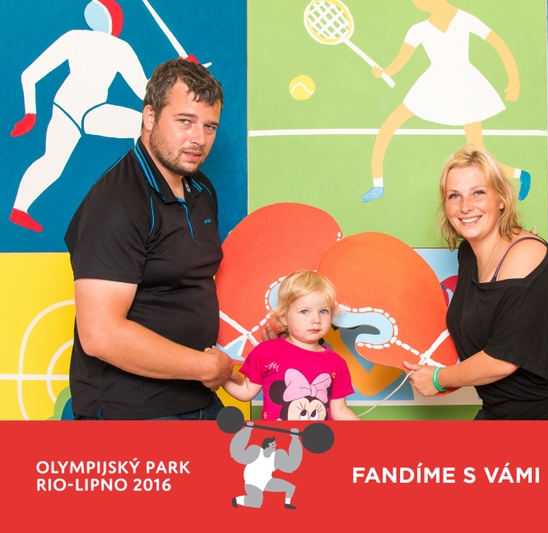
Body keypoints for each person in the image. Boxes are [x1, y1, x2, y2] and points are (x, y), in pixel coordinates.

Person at [64, 58, 242, 420]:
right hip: (132, 413)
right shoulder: (116, 202)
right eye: (185, 121)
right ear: (149, 117)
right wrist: (205, 367)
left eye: (209, 126)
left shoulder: (201, 188)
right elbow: (101, 335)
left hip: (197, 399)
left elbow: (190, 287)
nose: (199, 138)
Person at [404, 145, 548, 419]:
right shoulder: (469, 253)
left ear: (501, 198)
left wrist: (439, 378)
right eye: (454, 196)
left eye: (478, 192)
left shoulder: (524, 256)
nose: (466, 206)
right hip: (505, 409)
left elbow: (503, 359)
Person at [362, 0, 530, 203]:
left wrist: (514, 81)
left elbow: (499, 44)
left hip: (466, 86)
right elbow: (400, 61)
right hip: (432, 84)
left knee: (478, 151)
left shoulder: (465, 19)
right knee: (390, 124)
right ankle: (377, 184)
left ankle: (519, 174)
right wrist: (383, 71)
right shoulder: (418, 29)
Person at [10, 0, 147, 232]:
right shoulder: (118, 47)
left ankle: (19, 209)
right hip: (77, 110)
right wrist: (180, 72)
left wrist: (30, 114)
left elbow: (29, 76)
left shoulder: (78, 38)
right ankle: (19, 209)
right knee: (141, 125)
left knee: (52, 163)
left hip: (77, 109)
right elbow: (146, 91)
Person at [224, 270, 360, 421]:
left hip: (317, 436)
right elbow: (245, 391)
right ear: (284, 318)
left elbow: (340, 410)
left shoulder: (337, 363)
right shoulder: (266, 351)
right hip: (275, 436)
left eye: (323, 311)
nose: (316, 319)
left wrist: (368, 433)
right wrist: (219, 375)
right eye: (304, 311)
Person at [230, 424, 302, 510]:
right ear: (267, 445)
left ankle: (287, 504)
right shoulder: (256, 452)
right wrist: (247, 430)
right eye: (273, 444)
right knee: (256, 503)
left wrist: (295, 438)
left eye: (275, 444)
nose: (275, 445)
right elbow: (238, 452)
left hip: (266, 481)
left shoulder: (276, 457)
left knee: (290, 487)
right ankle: (236, 500)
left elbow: (291, 464)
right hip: (253, 481)